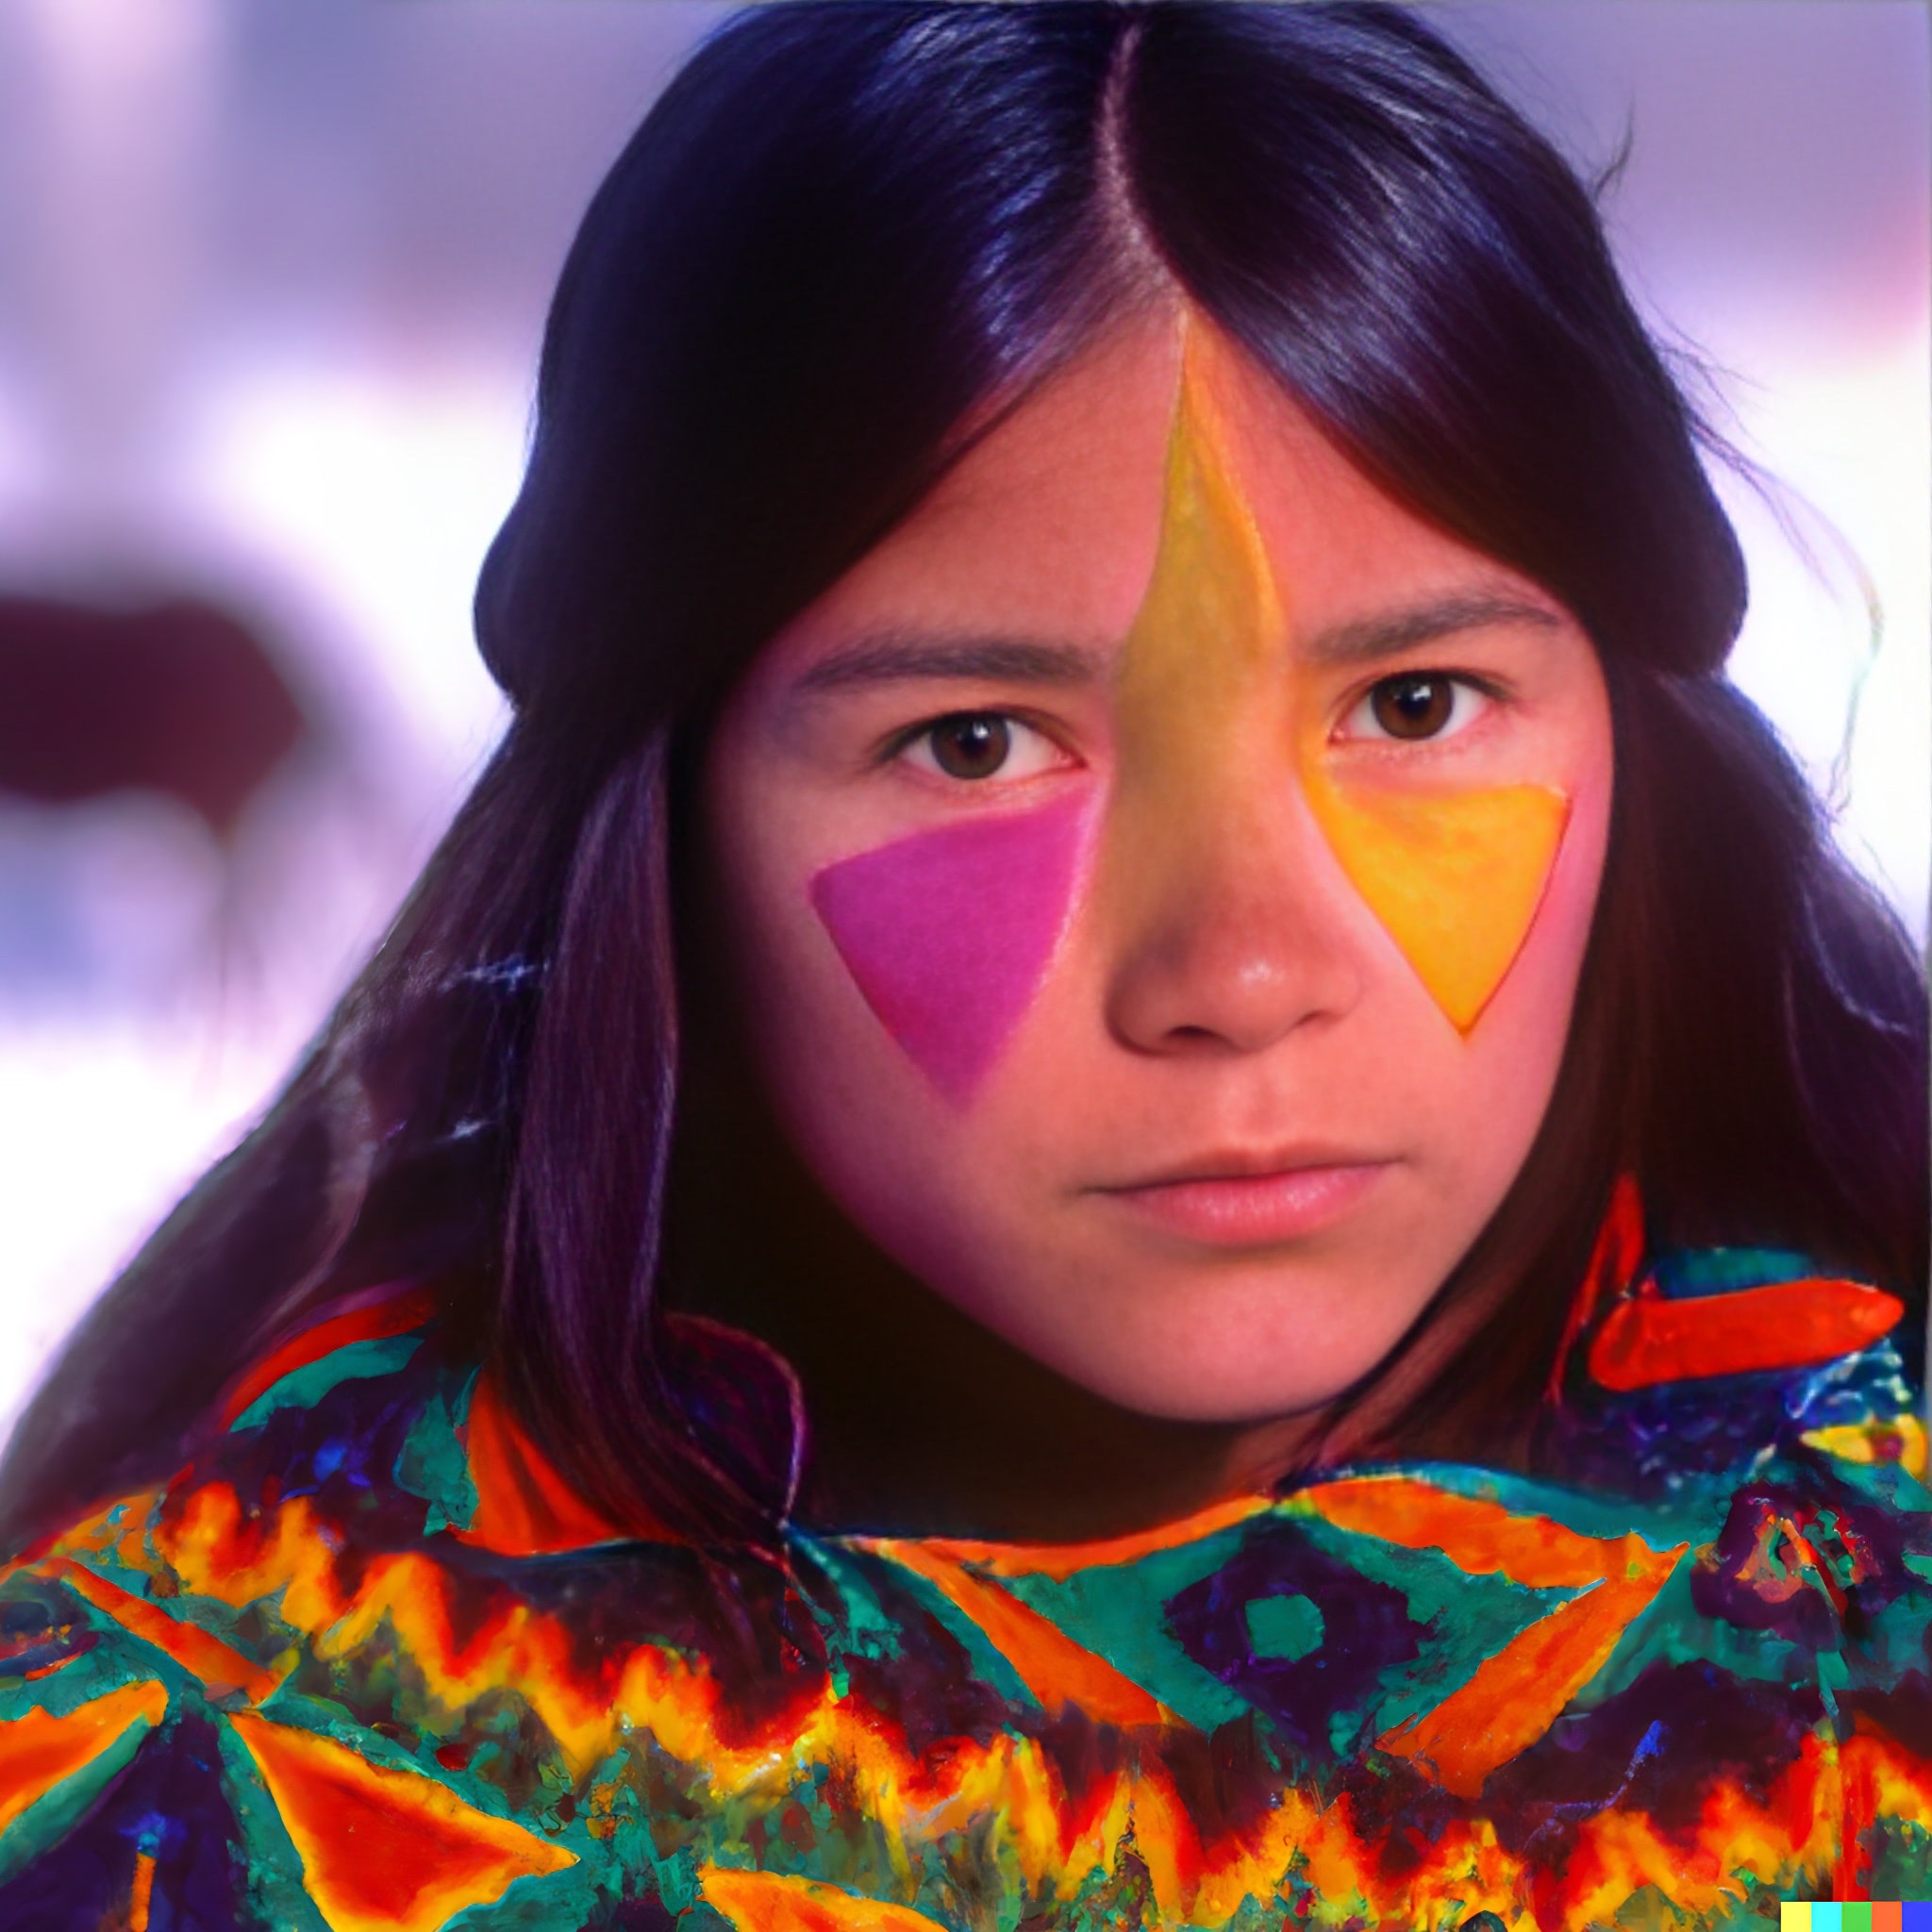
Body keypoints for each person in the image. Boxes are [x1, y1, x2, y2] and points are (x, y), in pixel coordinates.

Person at [0, 4, 1925, 1926]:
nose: (1239, 972)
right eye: (978, 743)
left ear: (1629, 725)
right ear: (657, 817)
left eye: (1415, 704)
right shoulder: (179, 1785)